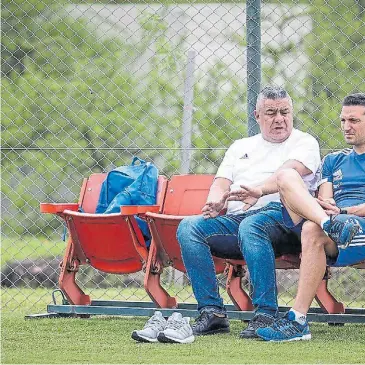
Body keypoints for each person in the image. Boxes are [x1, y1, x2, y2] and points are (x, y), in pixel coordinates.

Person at [131, 86, 321, 343]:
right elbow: (221, 181)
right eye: (271, 112)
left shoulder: (304, 142)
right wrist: (215, 200)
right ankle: (212, 313)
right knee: (189, 227)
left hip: (285, 218)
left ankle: (266, 314)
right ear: (257, 115)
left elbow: (287, 172)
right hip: (238, 220)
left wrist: (258, 191)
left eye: (285, 112)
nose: (279, 118)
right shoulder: (240, 146)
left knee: (252, 225)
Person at [252, 92, 365, 341]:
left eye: (354, 121)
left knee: (312, 229)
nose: (347, 127)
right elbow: (326, 199)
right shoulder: (333, 160)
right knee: (287, 180)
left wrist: (343, 212)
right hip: (332, 223)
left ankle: (297, 320)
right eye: (343, 120)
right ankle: (298, 321)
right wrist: (326, 211)